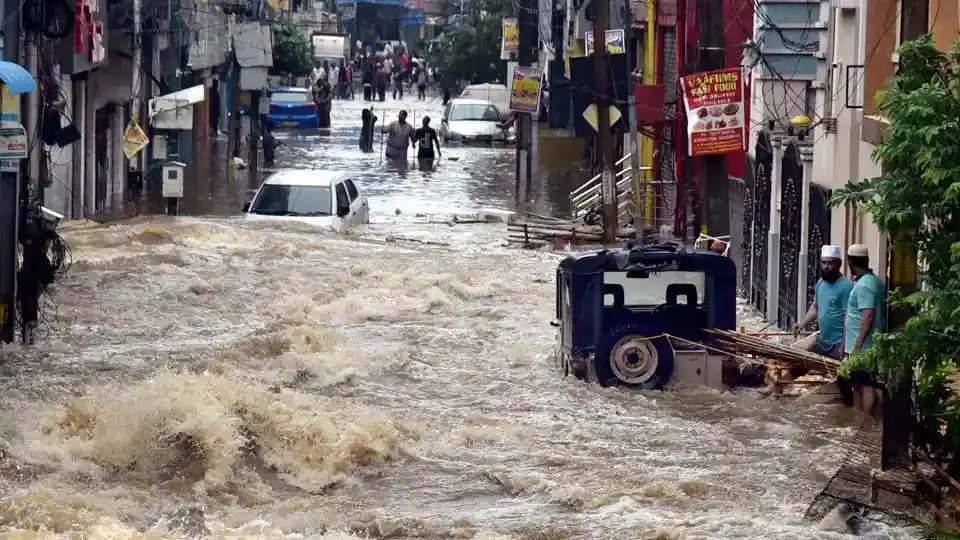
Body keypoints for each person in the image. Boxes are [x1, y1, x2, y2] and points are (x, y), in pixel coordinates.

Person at [843, 243, 886, 415]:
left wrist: (858, 345)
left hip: (864, 347)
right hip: (860, 346)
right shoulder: (872, 281)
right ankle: (859, 418)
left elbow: (868, 317)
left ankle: (865, 420)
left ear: (850, 262)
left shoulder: (864, 286)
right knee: (858, 384)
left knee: (866, 385)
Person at [791, 244, 853, 360]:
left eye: (830, 263)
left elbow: (848, 318)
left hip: (838, 344)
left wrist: (844, 345)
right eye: (823, 263)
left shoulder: (846, 287)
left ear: (838, 264)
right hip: (823, 341)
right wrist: (802, 324)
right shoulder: (821, 283)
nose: (826, 266)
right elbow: (815, 307)